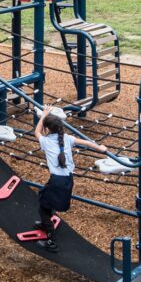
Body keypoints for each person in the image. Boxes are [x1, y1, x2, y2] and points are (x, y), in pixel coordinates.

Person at [32, 107, 107, 252]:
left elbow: (36, 131)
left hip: (56, 181)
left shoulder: (46, 141)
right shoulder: (67, 139)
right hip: (67, 179)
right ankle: (45, 223)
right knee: (45, 198)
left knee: (43, 206)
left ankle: (51, 241)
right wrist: (101, 148)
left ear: (47, 130)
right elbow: (87, 143)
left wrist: (43, 116)